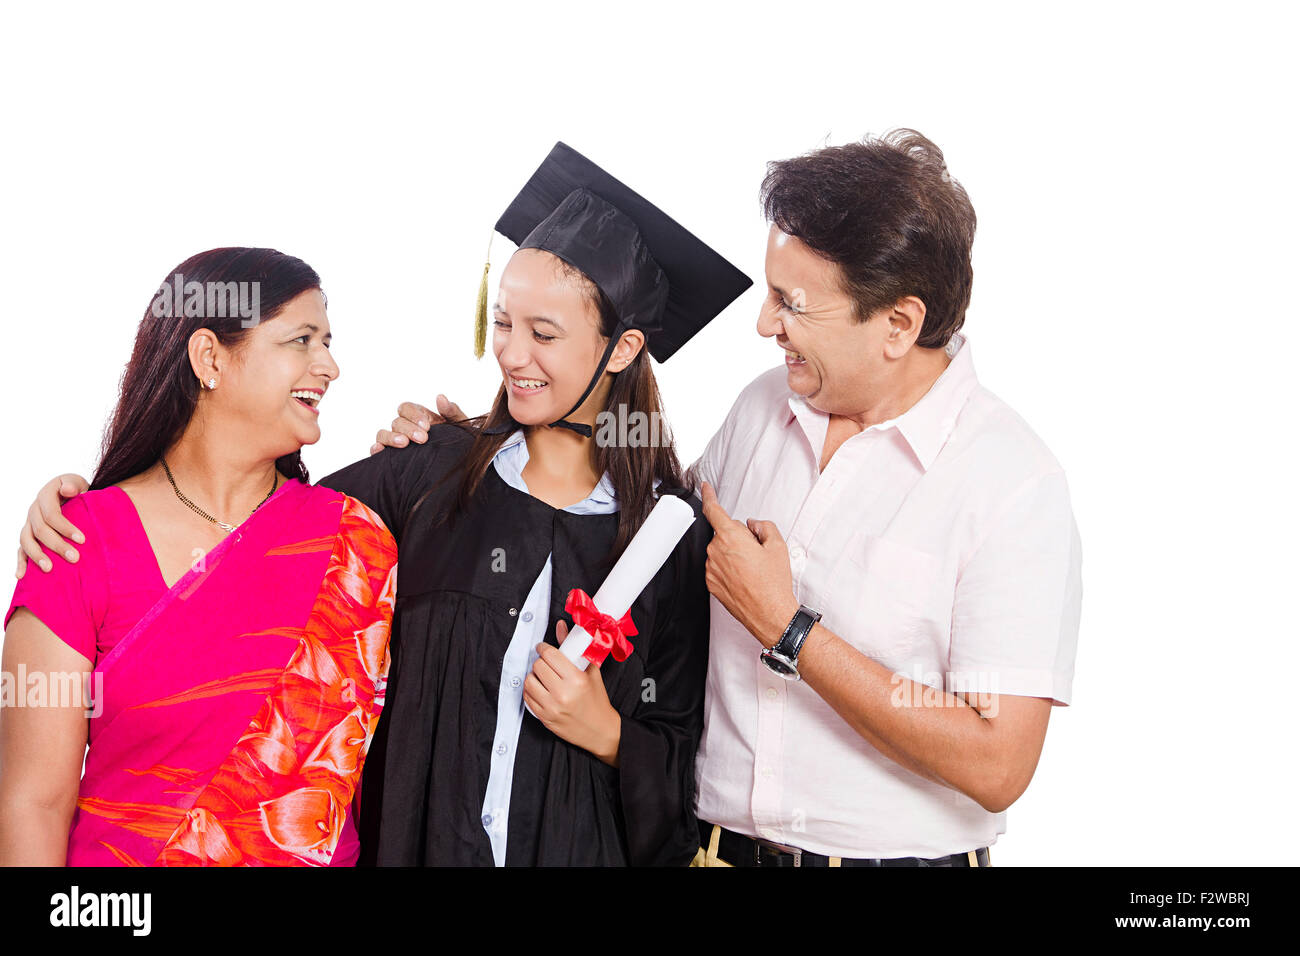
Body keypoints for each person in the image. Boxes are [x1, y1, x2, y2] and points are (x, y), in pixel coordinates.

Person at [15, 143, 752, 866]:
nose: (511, 354)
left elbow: (684, 769)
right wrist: (86, 504)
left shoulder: (668, 538)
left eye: (545, 333)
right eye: (503, 323)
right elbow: (246, 528)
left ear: (621, 351)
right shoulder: (426, 479)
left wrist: (608, 733)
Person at [371, 130, 1083, 867]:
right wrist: (470, 454)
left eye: (792, 303)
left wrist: (789, 630)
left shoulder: (1010, 482)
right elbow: (635, 531)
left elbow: (999, 764)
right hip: (712, 854)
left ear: (898, 324)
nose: (764, 323)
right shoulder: (763, 409)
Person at [1, 248, 398, 867]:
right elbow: (34, 803)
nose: (331, 365)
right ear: (210, 357)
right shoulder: (79, 541)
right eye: (302, 339)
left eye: (328, 341)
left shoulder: (357, 541)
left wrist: (443, 442)